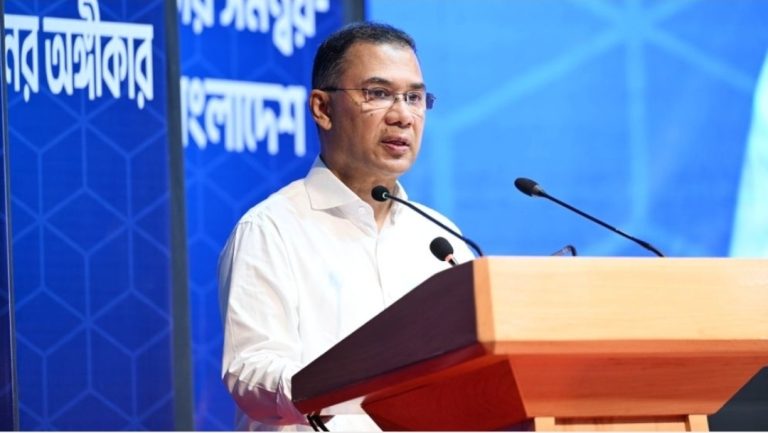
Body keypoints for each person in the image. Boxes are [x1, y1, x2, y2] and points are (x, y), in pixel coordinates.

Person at [218, 21, 475, 431]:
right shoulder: (271, 229)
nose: (403, 116)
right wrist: (334, 384)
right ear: (322, 108)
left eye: (414, 97)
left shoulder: (440, 238)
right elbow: (250, 370)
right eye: (378, 94)